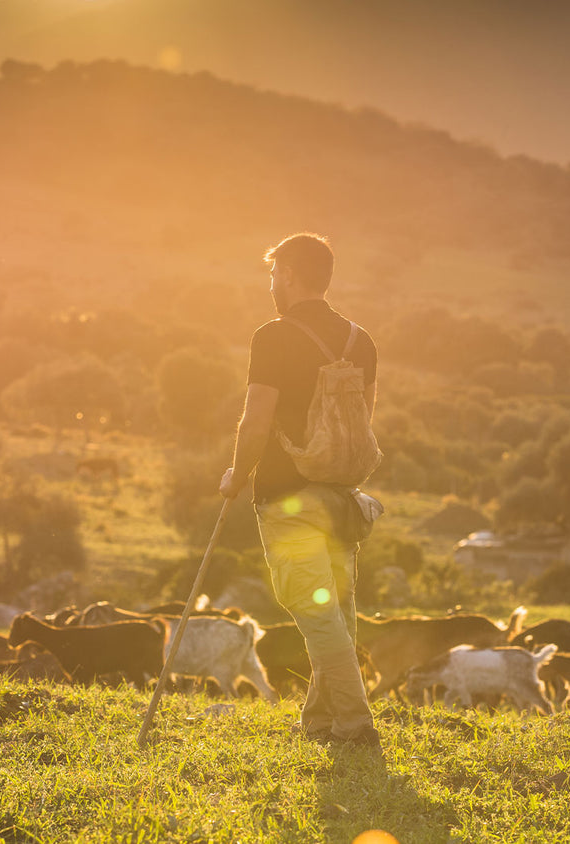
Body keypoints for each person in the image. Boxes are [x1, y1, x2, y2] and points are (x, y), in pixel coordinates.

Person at [219, 232, 380, 750]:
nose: (270, 284)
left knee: (317, 617)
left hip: (288, 501)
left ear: (288, 273)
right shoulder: (362, 341)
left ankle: (356, 727)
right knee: (337, 616)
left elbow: (256, 422)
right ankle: (319, 726)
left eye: (272, 274)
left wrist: (236, 474)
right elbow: (362, 425)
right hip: (340, 498)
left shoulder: (273, 336)